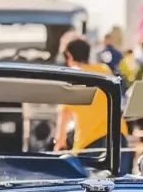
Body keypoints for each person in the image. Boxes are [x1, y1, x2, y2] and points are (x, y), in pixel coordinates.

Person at [55, 37, 133, 175]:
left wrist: (59, 145)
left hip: (90, 144)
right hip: (118, 137)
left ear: (69, 55)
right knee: (121, 183)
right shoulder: (104, 70)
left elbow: (64, 117)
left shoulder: (71, 77)